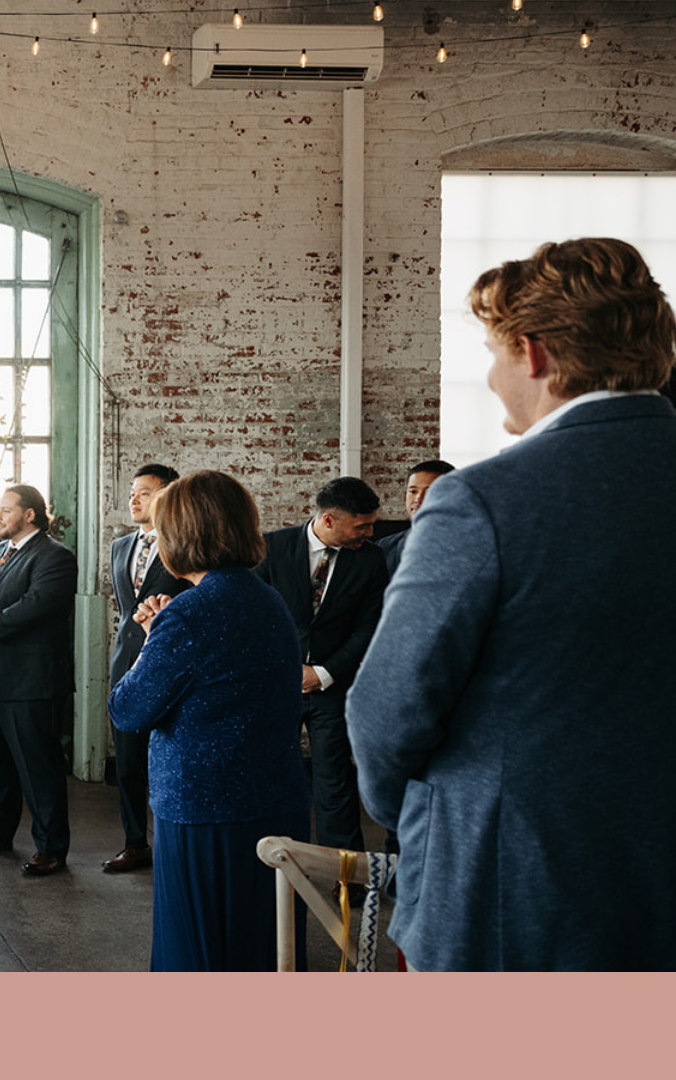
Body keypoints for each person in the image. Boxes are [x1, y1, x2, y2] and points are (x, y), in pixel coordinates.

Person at [349, 237, 676, 970]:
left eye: (495, 354)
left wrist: (434, 819)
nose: (495, 377)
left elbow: (386, 709)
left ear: (534, 354)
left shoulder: (484, 501)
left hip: (515, 890)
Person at [109, 471, 311, 971]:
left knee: (201, 952)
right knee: (264, 945)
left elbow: (129, 709)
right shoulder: (268, 600)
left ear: (179, 538)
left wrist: (154, 637)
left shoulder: (189, 613)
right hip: (275, 797)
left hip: (205, 808)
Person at [0, 483, 78, 876]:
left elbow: (37, 604)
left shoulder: (55, 557)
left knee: (38, 766)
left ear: (30, 515)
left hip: (31, 681)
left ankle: (51, 847)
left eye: (6, 510)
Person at [252, 476, 385, 853]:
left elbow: (369, 626)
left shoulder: (371, 559)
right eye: (362, 525)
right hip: (277, 684)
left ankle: (345, 874)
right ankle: (274, 862)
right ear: (328, 520)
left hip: (335, 685)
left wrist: (324, 674)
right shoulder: (269, 548)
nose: (370, 532)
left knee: (336, 782)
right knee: (270, 774)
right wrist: (285, 670)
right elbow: (252, 618)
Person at [103, 463, 189, 874]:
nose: (134, 499)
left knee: (171, 758)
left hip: (171, 665)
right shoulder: (121, 546)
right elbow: (124, 612)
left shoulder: (186, 546)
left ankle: (175, 845)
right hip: (127, 664)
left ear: (169, 496)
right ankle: (135, 843)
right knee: (129, 763)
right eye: (132, 492)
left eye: (145, 492)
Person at [375, 460, 454, 574]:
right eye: (413, 491)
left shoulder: (469, 546)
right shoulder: (385, 547)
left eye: (430, 491)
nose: (418, 499)